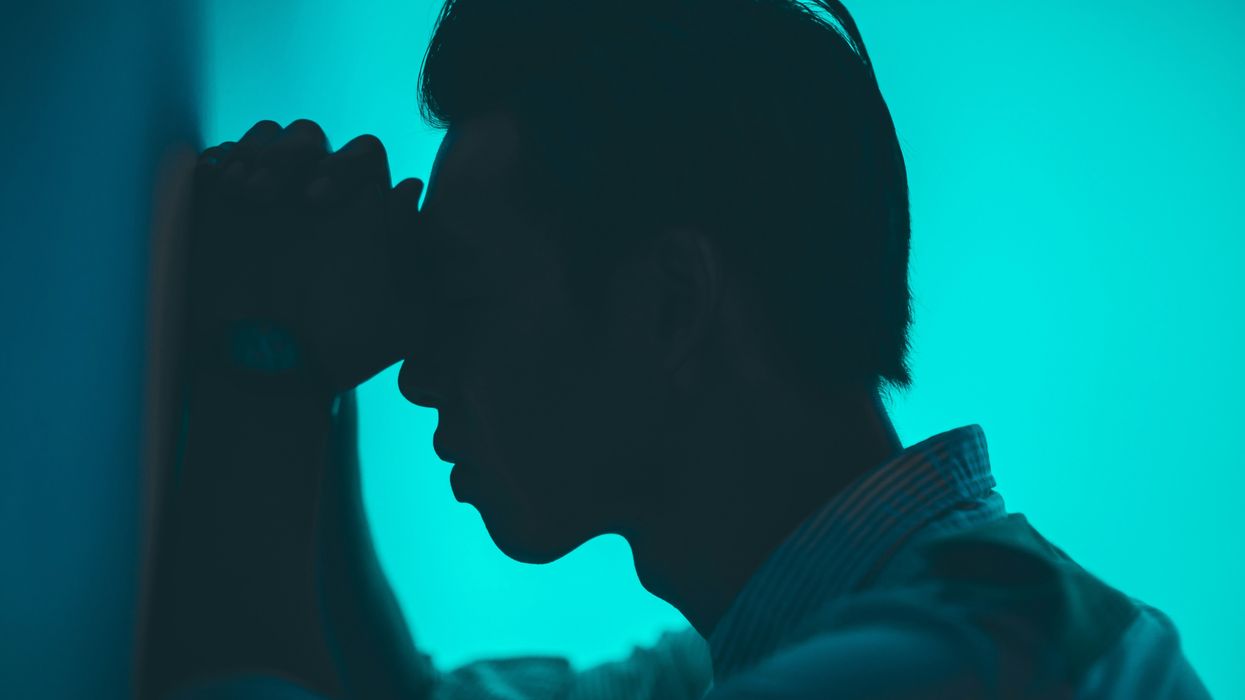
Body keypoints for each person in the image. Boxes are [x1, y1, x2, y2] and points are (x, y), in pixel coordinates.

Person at [137, 1, 1212, 698]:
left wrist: (261, 360)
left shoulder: (953, 669)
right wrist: (314, 363)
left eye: (458, 296)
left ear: (670, 304)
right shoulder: (822, 638)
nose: (416, 365)